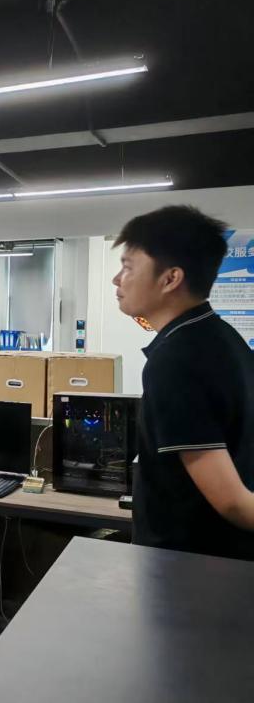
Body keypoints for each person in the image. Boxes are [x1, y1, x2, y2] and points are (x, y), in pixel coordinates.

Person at [113, 205, 254, 560]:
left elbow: (233, 502)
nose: (117, 279)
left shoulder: (176, 360)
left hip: (190, 569)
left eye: (128, 267)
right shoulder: (225, 339)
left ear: (170, 278)